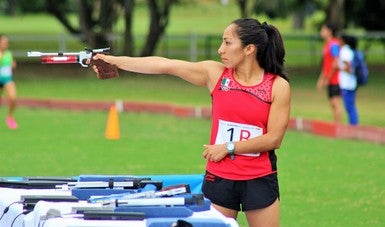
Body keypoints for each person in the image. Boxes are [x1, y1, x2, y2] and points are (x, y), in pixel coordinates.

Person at [92, 18, 290, 227]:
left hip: (259, 179)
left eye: (227, 42)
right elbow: (165, 65)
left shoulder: (277, 86)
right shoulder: (216, 75)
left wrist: (228, 148)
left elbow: (274, 138)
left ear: (249, 48)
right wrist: (115, 61)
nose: (220, 49)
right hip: (220, 178)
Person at [316, 23, 343, 124]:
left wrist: (327, 78)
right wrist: (321, 79)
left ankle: (338, 126)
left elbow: (335, 62)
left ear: (329, 31)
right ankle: (336, 125)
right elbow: (326, 65)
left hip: (335, 79)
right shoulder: (327, 45)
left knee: (336, 103)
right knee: (332, 103)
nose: (321, 32)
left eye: (323, 30)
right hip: (330, 79)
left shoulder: (334, 45)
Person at [338, 34, 359, 125]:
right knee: (350, 105)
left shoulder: (345, 51)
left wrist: (338, 67)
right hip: (351, 83)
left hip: (347, 83)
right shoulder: (349, 50)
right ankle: (353, 124)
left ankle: (353, 126)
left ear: (343, 41)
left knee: (349, 106)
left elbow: (348, 68)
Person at [0, 34, 18, 129]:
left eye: (7, 42)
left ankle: (10, 117)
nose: (5, 44)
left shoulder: (9, 53)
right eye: (3, 42)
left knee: (13, 98)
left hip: (7, 79)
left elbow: (10, 64)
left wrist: (13, 65)